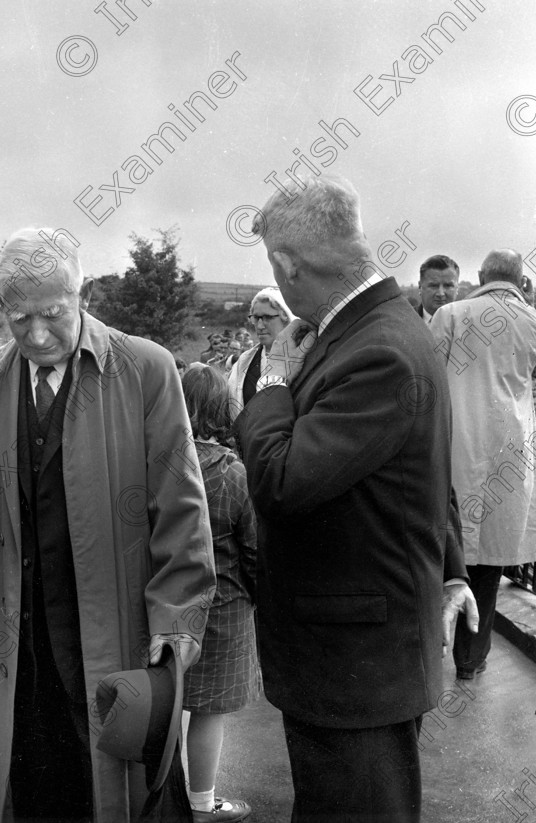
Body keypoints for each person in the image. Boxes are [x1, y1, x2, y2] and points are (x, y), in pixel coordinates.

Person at [0, 227, 215, 821]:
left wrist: (178, 613)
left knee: (129, 787)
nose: (37, 335)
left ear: (80, 291)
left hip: (117, 630)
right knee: (33, 790)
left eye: (53, 315)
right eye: (18, 319)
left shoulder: (146, 369)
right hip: (17, 647)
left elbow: (181, 504)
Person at [234, 176, 478, 821]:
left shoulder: (377, 350)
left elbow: (281, 482)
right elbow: (415, 468)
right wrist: (451, 568)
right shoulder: (378, 329)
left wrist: (273, 381)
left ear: (286, 265)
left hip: (355, 659)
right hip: (355, 651)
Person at [430, 249, 536, 680]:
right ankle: (470, 661)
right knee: (490, 563)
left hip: (455, 450)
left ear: (480, 276)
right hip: (510, 458)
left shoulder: (450, 315)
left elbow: (430, 382)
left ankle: (427, 653)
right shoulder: (532, 322)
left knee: (441, 554)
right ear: (520, 281)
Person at [180, 365, 258, 823]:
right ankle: (202, 802)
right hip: (225, 608)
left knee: (164, 705)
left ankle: (158, 797)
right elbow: (253, 549)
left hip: (163, 604)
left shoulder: (154, 465)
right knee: (209, 713)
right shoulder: (233, 475)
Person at [227, 287, 295, 413]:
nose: (260, 326)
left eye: (267, 318)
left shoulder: (302, 359)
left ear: (285, 318)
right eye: (256, 318)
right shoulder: (244, 362)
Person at [417, 254, 460, 324]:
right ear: (420, 287)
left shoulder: (469, 324)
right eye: (434, 286)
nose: (441, 294)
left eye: (448, 286)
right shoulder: (403, 321)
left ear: (457, 288)